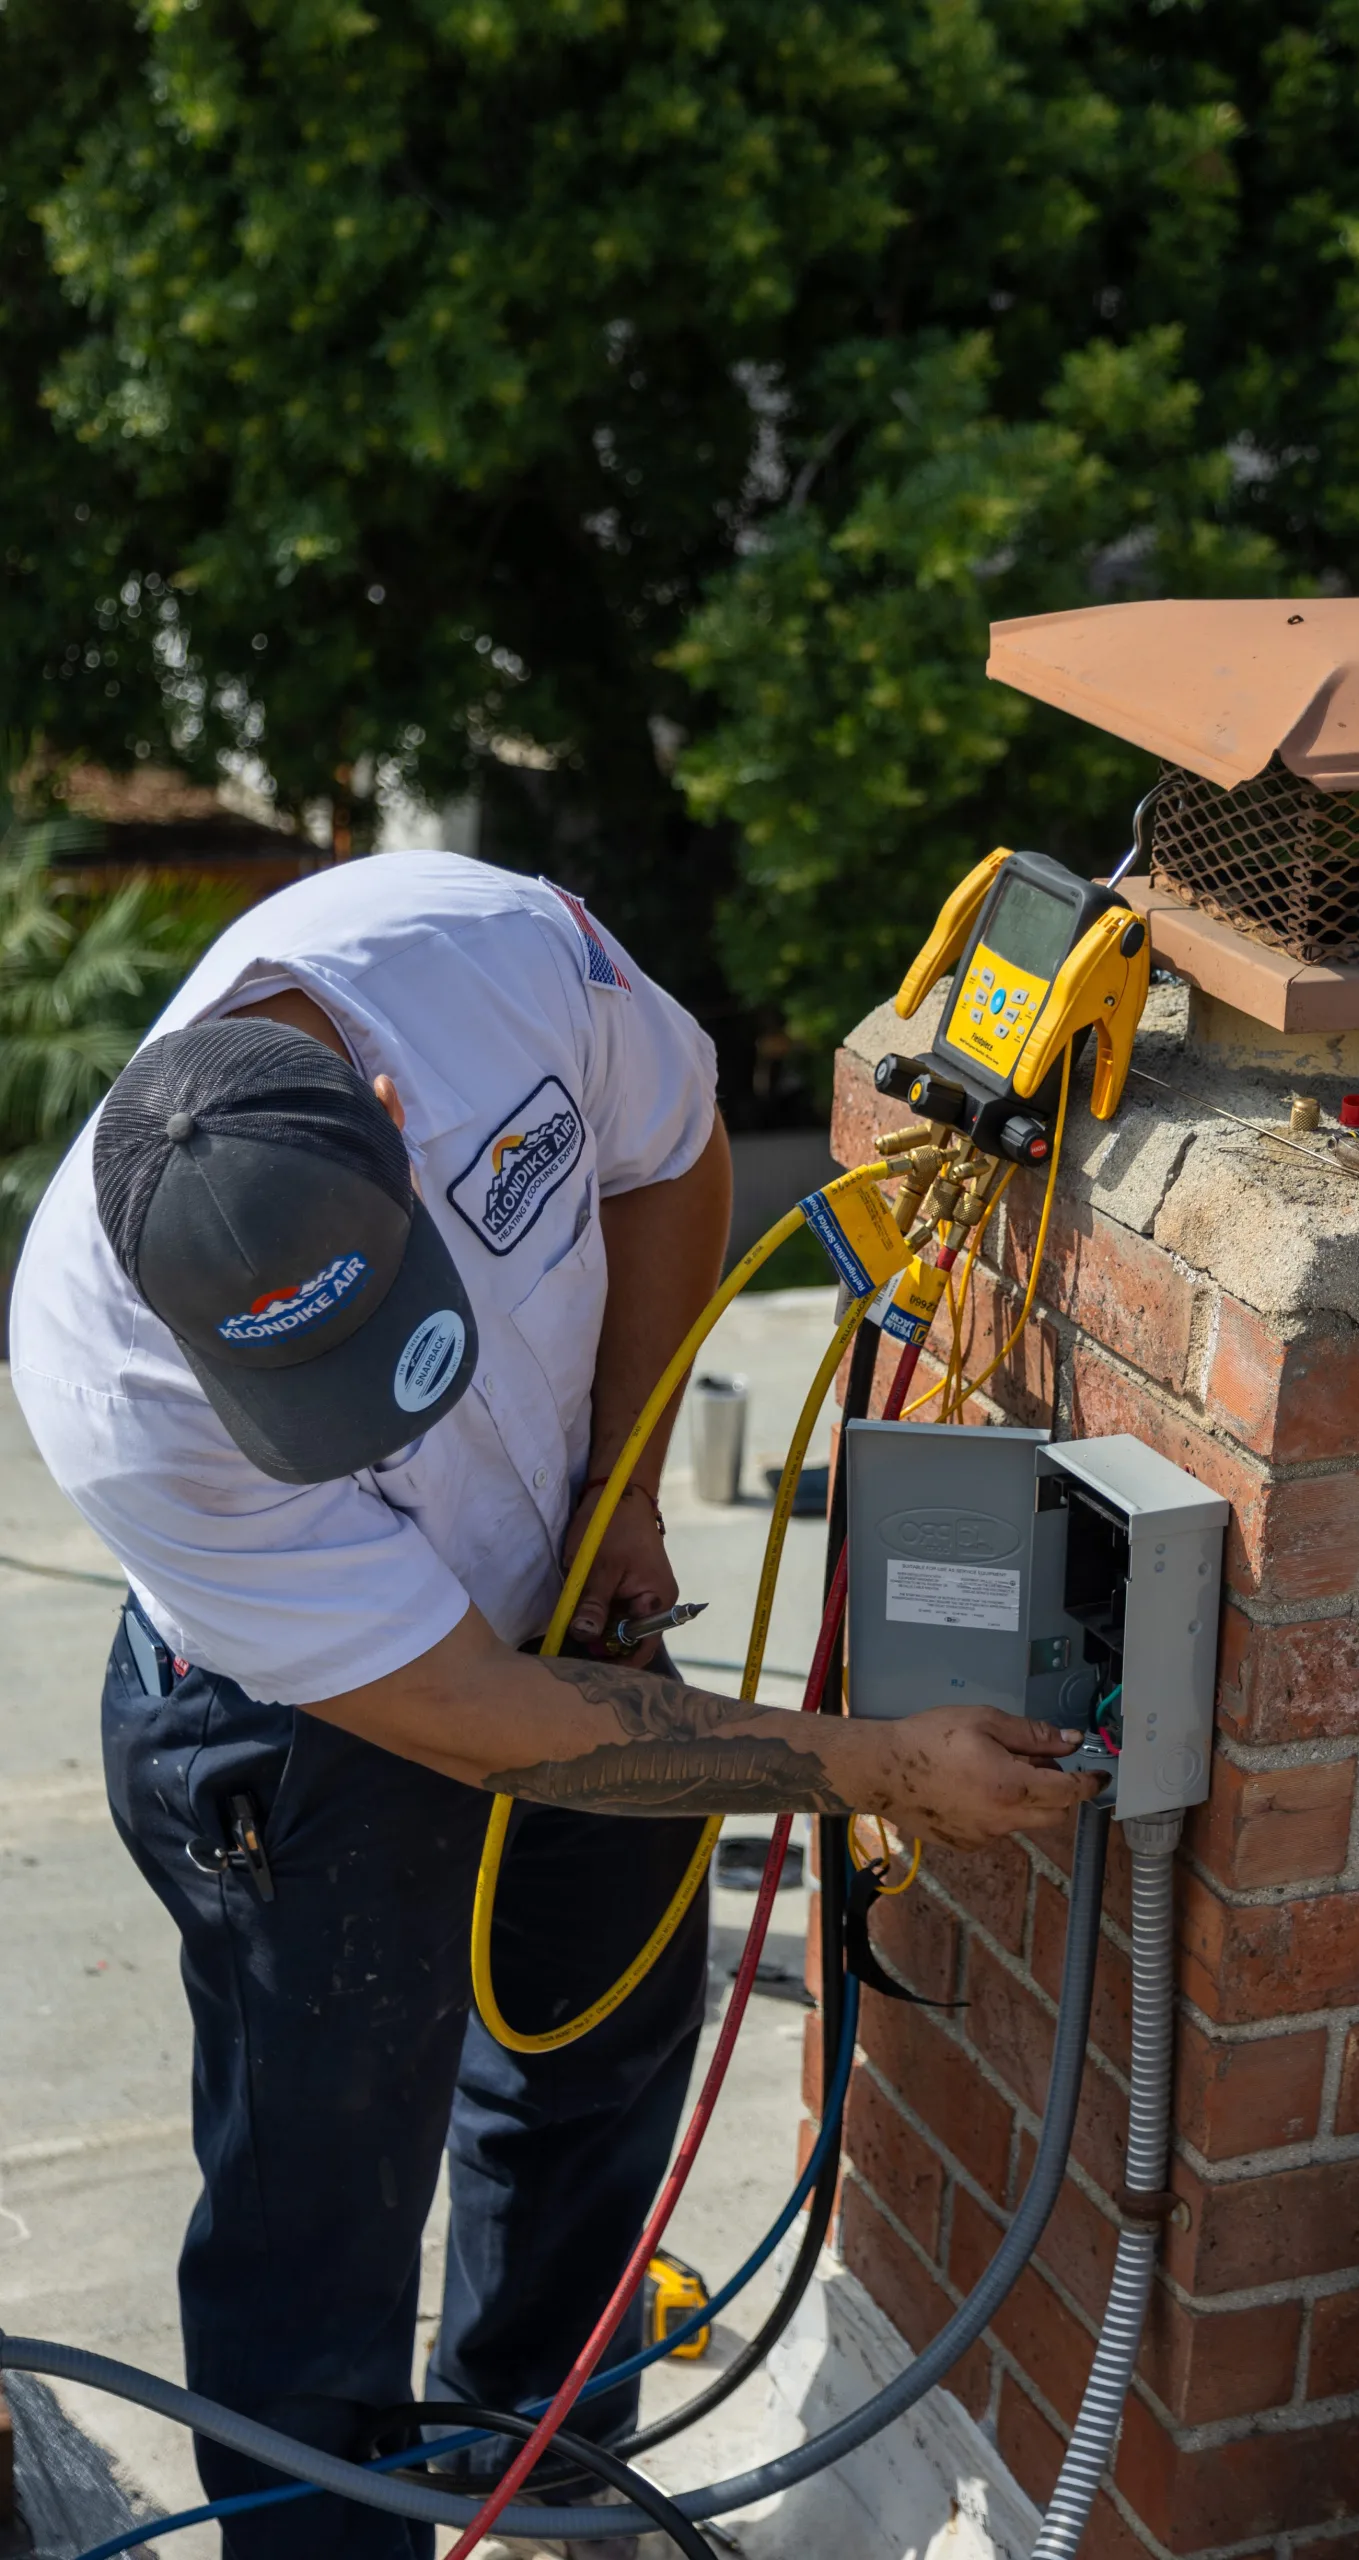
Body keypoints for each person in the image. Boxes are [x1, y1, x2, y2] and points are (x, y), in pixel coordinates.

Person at [9, 850, 1096, 2558]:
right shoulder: (115, 1387)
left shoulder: (475, 961)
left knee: (594, 2044)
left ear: (389, 1104)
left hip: (571, 1575)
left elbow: (663, 1164)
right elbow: (465, 1712)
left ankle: (532, 2460)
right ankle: (328, 2538)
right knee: (321, 2207)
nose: (379, 1419)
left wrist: (628, 1492)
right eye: (315, 1396)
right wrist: (870, 1765)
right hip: (307, 1730)